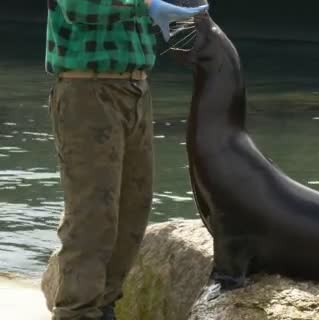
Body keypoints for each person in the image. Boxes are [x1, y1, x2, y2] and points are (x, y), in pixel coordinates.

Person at [44, 0, 208, 319]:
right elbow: (80, 9)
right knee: (92, 214)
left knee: (133, 207)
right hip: (87, 90)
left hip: (136, 89)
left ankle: (104, 307)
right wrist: (145, 6)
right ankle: (77, 313)